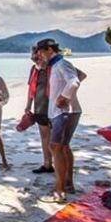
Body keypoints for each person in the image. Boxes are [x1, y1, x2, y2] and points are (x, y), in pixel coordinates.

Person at [36, 38, 84, 203]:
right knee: (63, 147)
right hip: (65, 111)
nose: (39, 55)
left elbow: (75, 81)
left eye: (41, 52)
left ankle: (59, 190)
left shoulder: (61, 64)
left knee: (54, 147)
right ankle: (68, 183)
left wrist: (64, 97)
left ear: (50, 50)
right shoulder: (56, 65)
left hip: (63, 112)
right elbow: (79, 76)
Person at [25, 46, 54, 174]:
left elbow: (79, 76)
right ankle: (47, 164)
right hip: (39, 107)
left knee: (55, 139)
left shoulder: (53, 68)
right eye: (34, 59)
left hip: (54, 108)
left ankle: (57, 164)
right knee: (44, 138)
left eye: (38, 58)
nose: (36, 61)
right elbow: (31, 90)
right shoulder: (34, 70)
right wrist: (28, 106)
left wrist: (66, 96)